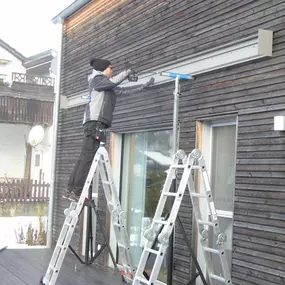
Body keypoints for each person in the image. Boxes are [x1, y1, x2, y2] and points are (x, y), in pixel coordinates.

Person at [63, 58, 155, 201]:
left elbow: (122, 91)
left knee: (84, 157)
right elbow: (114, 82)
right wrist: (127, 72)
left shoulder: (104, 85)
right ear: (103, 69)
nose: (112, 71)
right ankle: (76, 191)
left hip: (93, 124)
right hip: (95, 123)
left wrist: (143, 86)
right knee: (87, 159)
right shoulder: (97, 80)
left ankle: (71, 190)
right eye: (111, 68)